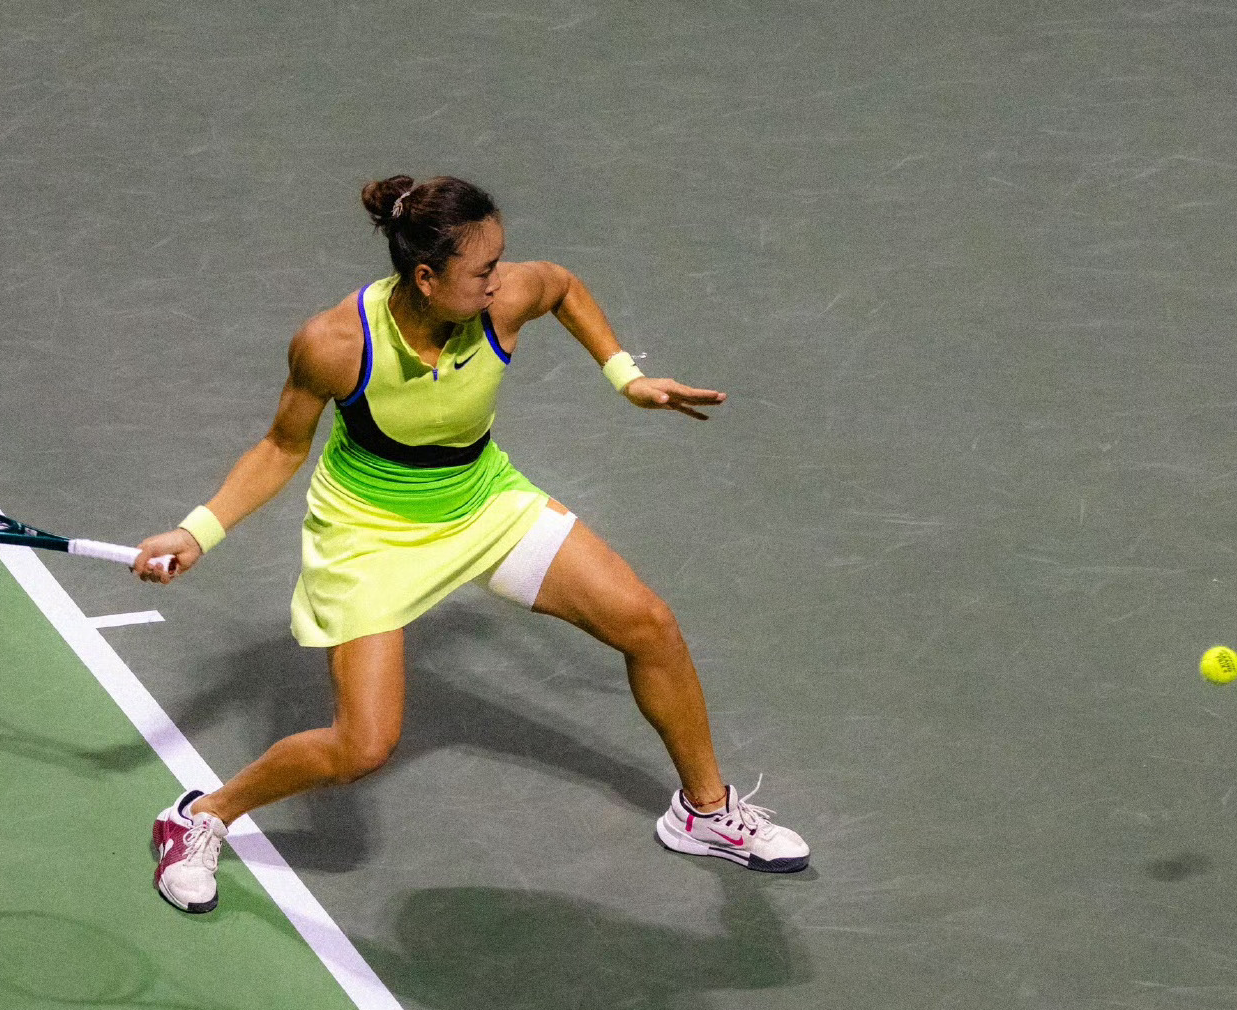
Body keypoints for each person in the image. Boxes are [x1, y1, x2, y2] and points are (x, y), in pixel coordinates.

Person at [134, 174, 808, 914]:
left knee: (648, 625)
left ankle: (705, 812)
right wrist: (197, 531)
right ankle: (200, 817)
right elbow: (281, 447)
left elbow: (562, 286)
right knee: (361, 747)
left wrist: (626, 377)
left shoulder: (506, 299)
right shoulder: (335, 343)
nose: (499, 281)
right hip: (369, 536)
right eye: (482, 270)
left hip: (482, 502)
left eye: (499, 262)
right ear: (427, 278)